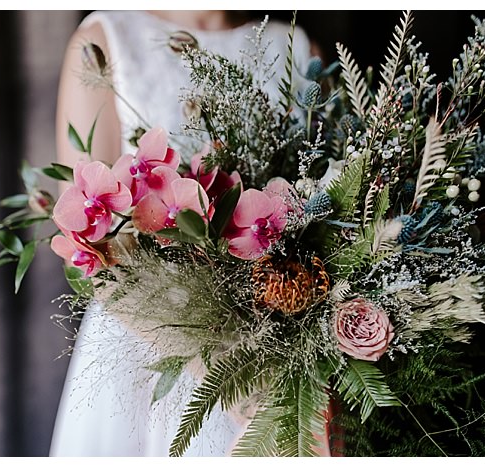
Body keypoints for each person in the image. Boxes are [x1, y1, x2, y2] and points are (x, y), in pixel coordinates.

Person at [49, 10, 316, 456]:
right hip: (149, 350)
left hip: (277, 342)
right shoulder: (104, 41)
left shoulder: (294, 44)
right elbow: (88, 243)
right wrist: (216, 365)